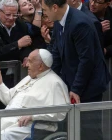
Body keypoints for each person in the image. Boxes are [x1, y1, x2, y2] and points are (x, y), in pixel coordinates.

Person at [42, 0, 111, 139]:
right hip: (72, 80)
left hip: (89, 85)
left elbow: (87, 60)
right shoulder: (58, 20)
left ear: (54, 7)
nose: (44, 14)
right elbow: (56, 51)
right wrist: (48, 78)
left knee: (89, 130)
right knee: (74, 129)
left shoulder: (80, 23)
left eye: (44, 10)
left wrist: (76, 89)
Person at [0, 49, 70, 140]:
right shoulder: (29, 78)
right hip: (9, 120)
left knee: (3, 136)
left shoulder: (55, 83)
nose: (26, 65)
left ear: (40, 66)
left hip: (33, 126)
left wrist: (32, 116)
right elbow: (10, 100)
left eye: (30, 61)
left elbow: (59, 113)